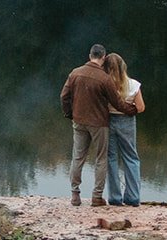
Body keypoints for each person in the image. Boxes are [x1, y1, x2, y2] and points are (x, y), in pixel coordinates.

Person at [59, 43, 137, 207]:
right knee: (101, 159)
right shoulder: (105, 78)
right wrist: (132, 110)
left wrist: (69, 114)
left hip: (79, 121)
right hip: (99, 124)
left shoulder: (75, 73)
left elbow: (64, 96)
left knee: (78, 157)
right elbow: (117, 103)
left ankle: (75, 195)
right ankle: (96, 197)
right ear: (103, 57)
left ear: (90, 56)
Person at [103, 53, 144, 206]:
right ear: (123, 67)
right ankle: (133, 197)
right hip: (127, 122)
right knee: (131, 158)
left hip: (109, 121)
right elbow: (140, 108)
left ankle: (114, 197)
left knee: (111, 159)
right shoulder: (133, 84)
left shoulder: (104, 85)